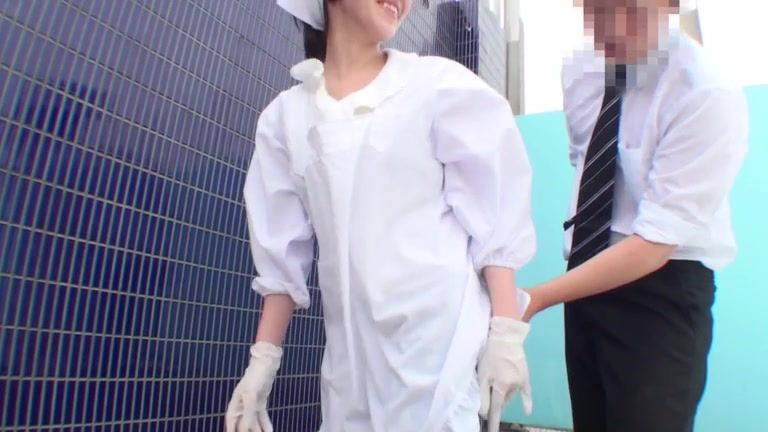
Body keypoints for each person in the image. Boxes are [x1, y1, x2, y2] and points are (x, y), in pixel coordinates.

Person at [225, 1, 537, 431]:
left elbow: (494, 215)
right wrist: (263, 360)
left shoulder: (437, 87)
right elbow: (281, 253)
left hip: (436, 358)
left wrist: (505, 331)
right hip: (350, 371)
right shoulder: (286, 119)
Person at [521, 1, 749, 431]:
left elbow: (654, 244)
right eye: (599, 10)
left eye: (632, 11)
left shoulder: (704, 92)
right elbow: (587, 164)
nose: (613, 28)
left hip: (661, 291)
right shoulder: (580, 70)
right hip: (585, 278)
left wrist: (536, 298)